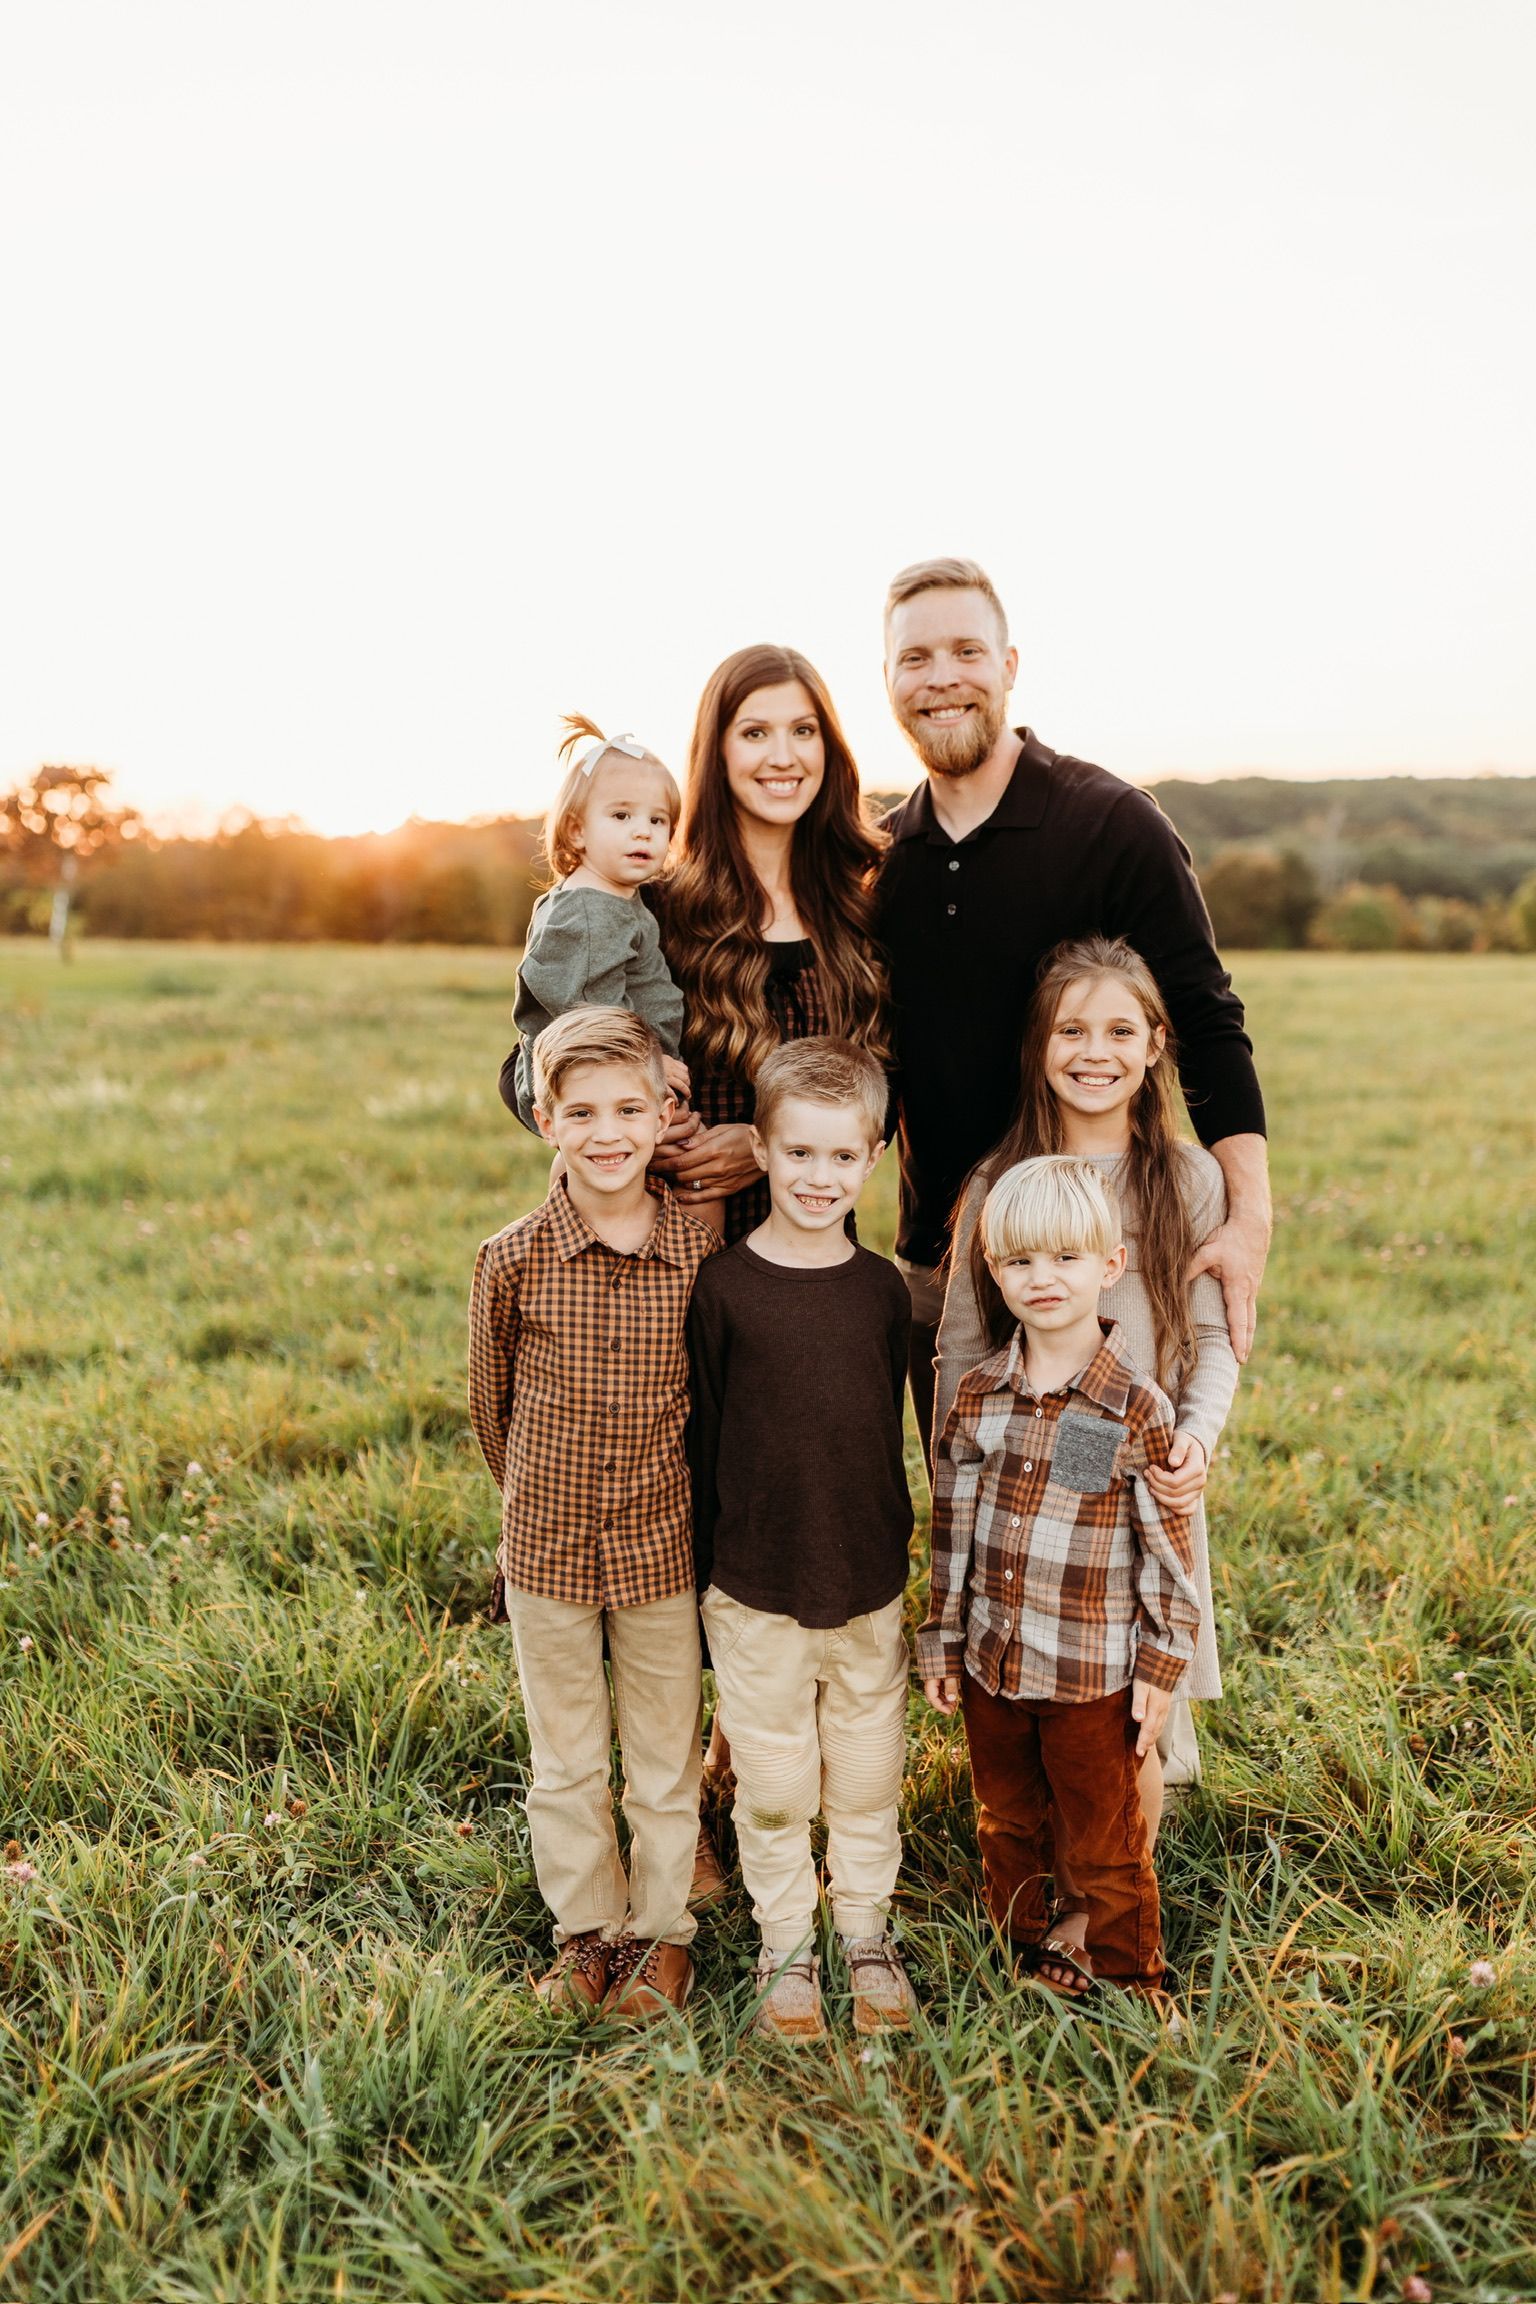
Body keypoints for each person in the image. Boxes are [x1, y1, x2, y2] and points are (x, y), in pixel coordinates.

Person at [875, 556, 1271, 1453]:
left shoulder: (1112, 825)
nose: (942, 678)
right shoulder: (884, 857)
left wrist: (1248, 1221)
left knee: (1102, 1514)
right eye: (916, 658)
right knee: (975, 1505)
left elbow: (1208, 1022)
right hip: (945, 1266)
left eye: (967, 650)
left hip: (1103, 1263)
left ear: (1010, 666)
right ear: (889, 680)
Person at [933, 937, 1239, 1988]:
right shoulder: (998, 1180)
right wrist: (948, 1489)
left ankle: (1104, 1914)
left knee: (1131, 1729)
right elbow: (965, 1350)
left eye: (1121, 1030)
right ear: (1040, 1045)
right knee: (1039, 1717)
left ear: (1157, 1046)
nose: (1095, 1051)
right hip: (1028, 1496)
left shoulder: (1185, 1177)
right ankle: (1054, 1900)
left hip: (1144, 1481)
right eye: (1072, 1030)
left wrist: (1196, 1441)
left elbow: (1215, 1332)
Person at [467, 1007, 719, 2022]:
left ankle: (661, 1939)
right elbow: (492, 1412)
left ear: (666, 1114)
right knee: (564, 1757)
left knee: (662, 1759)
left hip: (663, 1549)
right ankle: (585, 1933)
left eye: (629, 1108)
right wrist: (534, 1504)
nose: (608, 1131)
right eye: (583, 1111)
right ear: (545, 1118)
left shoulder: (700, 1257)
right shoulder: (512, 1258)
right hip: (548, 1551)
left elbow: (714, 1409)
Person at [919, 1156, 1199, 1999]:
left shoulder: (1132, 1407)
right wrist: (940, 1638)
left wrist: (1159, 1666)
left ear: (1110, 1267)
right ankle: (1025, 1952)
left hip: (1088, 1675)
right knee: (1007, 1821)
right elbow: (953, 1528)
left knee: (1104, 1839)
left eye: (1068, 1258)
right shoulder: (979, 1397)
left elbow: (1166, 1548)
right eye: (1021, 1261)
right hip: (992, 1668)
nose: (1044, 1279)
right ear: (995, 1272)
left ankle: (1132, 1978)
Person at [687, 1039, 916, 2039]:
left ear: (872, 1159)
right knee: (775, 1784)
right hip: (754, 1587)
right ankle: (786, 1941)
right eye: (798, 1155)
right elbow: (700, 1437)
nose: (819, 1178)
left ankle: (863, 1929)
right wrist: (703, 1583)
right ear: (764, 1155)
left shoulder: (882, 1293)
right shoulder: (724, 1288)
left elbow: (890, 1436)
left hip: (866, 1583)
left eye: (841, 1157)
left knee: (867, 1778)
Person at [649, 643, 889, 1242]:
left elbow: (888, 1086)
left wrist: (762, 1141)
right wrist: (640, 1128)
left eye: (803, 730)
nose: (783, 756)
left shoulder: (861, 911)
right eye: (755, 732)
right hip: (668, 1263)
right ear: (718, 751)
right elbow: (534, 1065)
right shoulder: (656, 909)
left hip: (814, 1266)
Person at [503, 718, 712, 1201]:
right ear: (576, 831)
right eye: (621, 817)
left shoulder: (614, 897)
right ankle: (570, 1219)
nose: (643, 832)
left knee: (670, 1166)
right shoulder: (588, 910)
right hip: (594, 1078)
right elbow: (585, 1012)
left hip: (617, 1077)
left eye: (657, 821)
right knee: (693, 1176)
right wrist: (651, 1061)